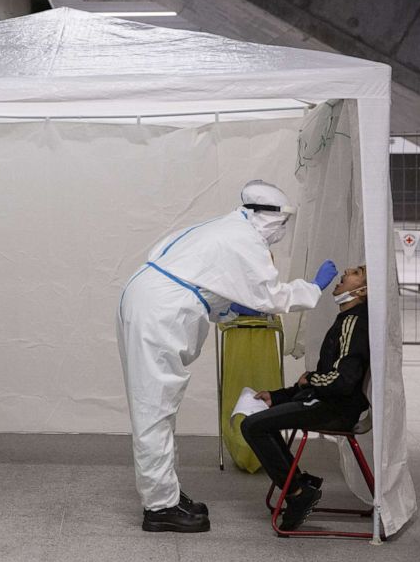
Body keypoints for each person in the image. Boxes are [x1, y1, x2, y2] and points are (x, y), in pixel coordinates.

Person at [116, 179, 338, 533]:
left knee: (160, 407)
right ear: (267, 218)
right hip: (157, 312)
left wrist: (225, 306)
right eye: (281, 225)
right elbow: (272, 297)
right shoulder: (244, 239)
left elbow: (203, 278)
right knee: (154, 409)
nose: (280, 233)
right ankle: (159, 508)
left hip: (152, 301)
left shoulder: (224, 227)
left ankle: (167, 493)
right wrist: (312, 288)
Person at [241, 265, 370, 531]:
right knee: (260, 420)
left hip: (335, 408)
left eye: (356, 272)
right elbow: (322, 379)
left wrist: (310, 380)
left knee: (252, 426)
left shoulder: (354, 322)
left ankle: (298, 493)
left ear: (362, 290)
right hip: (325, 400)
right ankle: (300, 483)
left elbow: (341, 381)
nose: (346, 271)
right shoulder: (346, 319)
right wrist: (277, 397)